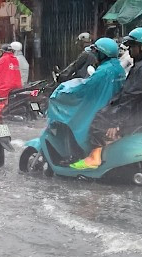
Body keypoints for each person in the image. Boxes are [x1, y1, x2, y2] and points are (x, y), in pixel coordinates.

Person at [84, 27, 142, 168]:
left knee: (97, 122)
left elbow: (130, 97)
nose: (129, 51)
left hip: (140, 115)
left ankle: (94, 161)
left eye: (132, 46)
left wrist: (116, 122)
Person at [36, 38, 126, 169]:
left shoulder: (103, 71)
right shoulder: (117, 67)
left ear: (103, 53)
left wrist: (64, 90)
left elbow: (84, 87)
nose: (94, 56)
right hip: (107, 105)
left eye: (96, 52)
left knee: (73, 120)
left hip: (99, 107)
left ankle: (79, 155)